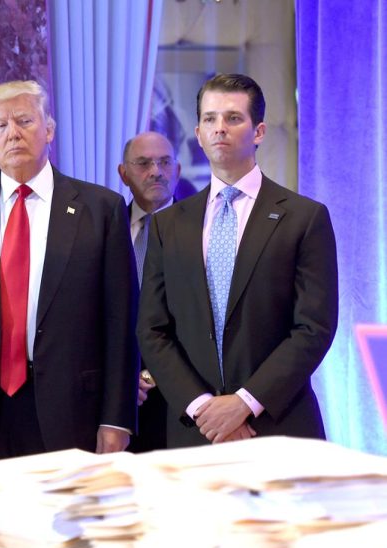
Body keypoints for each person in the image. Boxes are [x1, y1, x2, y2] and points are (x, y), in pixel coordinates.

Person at [0, 80, 139, 467]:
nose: (13, 133)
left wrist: (117, 417)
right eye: (0, 126)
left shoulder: (101, 209)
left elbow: (122, 320)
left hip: (72, 412)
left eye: (24, 120)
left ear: (48, 129)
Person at [137, 73, 338, 447]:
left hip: (279, 427)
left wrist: (244, 404)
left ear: (258, 131)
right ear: (197, 133)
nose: (219, 129)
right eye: (210, 119)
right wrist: (203, 407)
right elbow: (153, 329)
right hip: (195, 429)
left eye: (233, 118)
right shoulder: (169, 224)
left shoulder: (304, 217)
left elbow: (314, 328)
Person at [117, 131, 180, 452]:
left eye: (164, 162)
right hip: (118, 402)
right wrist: (123, 378)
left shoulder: (203, 229)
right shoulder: (105, 228)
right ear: (123, 173)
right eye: (143, 163)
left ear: (178, 171)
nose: (156, 171)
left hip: (184, 397)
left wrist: (152, 375)